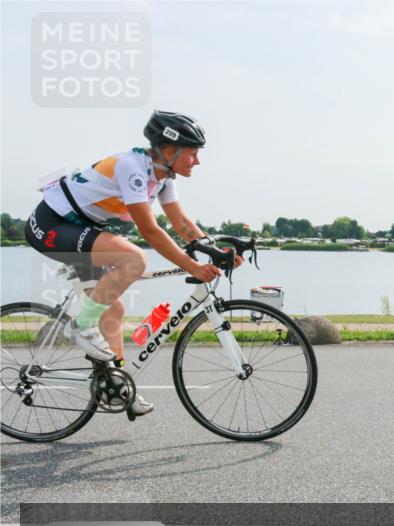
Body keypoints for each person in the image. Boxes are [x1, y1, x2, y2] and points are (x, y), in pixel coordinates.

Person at [24, 110, 237, 416]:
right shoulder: (131, 168)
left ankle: (115, 387)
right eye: (192, 153)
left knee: (114, 310)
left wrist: (217, 251)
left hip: (81, 228)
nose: (197, 161)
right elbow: (150, 230)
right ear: (169, 151)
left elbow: (181, 223)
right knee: (134, 259)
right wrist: (193, 267)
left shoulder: (162, 177)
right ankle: (80, 327)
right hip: (51, 224)